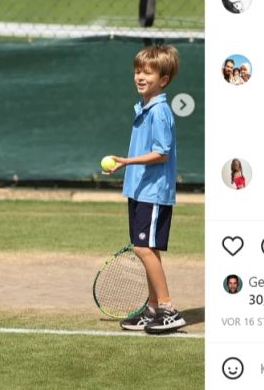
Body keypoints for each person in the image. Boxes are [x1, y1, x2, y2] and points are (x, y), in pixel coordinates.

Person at [104, 45, 186, 334]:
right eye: (138, 71)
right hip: (139, 190)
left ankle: (167, 309)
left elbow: (161, 153)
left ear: (163, 79)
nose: (140, 77)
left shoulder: (160, 112)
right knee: (147, 248)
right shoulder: (144, 109)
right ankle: (152, 309)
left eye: (148, 73)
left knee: (143, 248)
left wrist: (126, 161)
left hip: (153, 192)